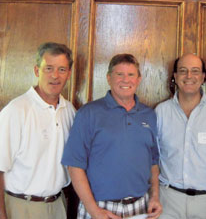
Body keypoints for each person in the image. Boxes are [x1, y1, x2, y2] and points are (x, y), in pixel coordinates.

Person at [61, 53, 162, 219]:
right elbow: (74, 166)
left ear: (138, 79)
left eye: (131, 75)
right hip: (100, 207)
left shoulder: (149, 115)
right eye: (119, 74)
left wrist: (155, 197)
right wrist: (94, 211)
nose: (125, 80)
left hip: (140, 207)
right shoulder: (88, 113)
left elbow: (153, 162)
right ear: (109, 78)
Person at [0, 42, 76, 219]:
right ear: (36, 71)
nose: (55, 76)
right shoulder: (17, 110)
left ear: (69, 74)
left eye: (62, 69)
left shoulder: (69, 110)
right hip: (21, 207)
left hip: (57, 205)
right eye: (48, 68)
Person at [155, 53, 206, 219]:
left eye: (195, 71)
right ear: (175, 76)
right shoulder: (161, 112)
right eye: (183, 71)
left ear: (203, 77)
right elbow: (153, 158)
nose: (189, 76)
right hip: (168, 201)